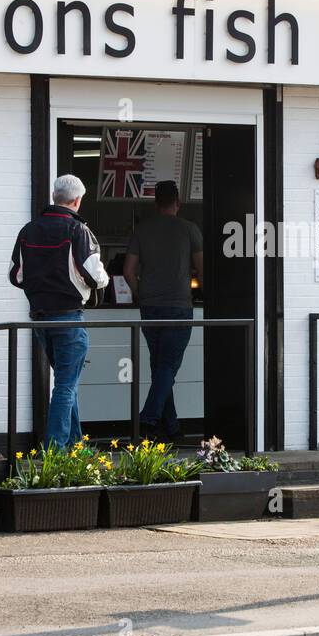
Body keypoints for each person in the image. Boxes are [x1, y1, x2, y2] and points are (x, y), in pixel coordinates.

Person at [11, 174, 110, 449]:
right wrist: (104, 281)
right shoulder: (77, 230)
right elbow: (95, 274)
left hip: (40, 318)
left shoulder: (28, 229)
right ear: (77, 200)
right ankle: (55, 451)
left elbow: (17, 276)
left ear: (55, 196)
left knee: (68, 381)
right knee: (66, 385)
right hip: (69, 316)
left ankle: (76, 445)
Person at [122, 180, 203, 441]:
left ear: (156, 203)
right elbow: (202, 270)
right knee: (167, 366)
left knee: (159, 367)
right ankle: (148, 419)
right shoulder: (190, 230)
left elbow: (127, 271)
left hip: (150, 308)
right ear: (178, 202)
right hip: (179, 306)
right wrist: (201, 291)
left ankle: (172, 427)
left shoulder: (142, 230)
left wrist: (140, 293)